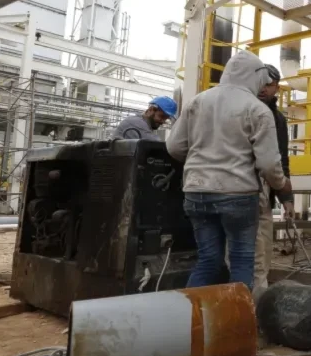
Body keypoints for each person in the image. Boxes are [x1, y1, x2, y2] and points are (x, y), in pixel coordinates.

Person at [166, 51, 290, 291]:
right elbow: (268, 165)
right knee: (242, 261)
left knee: (208, 262)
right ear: (254, 77)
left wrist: (199, 162)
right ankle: (237, 324)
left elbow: (174, 147)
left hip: (196, 192)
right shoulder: (257, 109)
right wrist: (281, 184)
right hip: (238, 194)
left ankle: (191, 320)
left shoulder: (197, 101)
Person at [252, 64, 293, 300]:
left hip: (259, 192)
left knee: (261, 252)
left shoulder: (277, 120)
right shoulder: (244, 109)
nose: (264, 88)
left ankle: (256, 306)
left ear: (277, 88)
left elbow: (280, 160)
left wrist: (286, 198)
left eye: (269, 84)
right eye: (261, 82)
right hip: (240, 191)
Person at [111, 96, 177, 140]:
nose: (162, 121)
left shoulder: (145, 125)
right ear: (151, 110)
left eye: (166, 119)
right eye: (162, 116)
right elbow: (156, 145)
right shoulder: (136, 122)